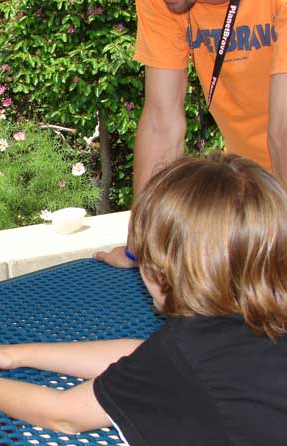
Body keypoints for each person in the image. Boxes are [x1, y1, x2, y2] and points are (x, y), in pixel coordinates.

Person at [0, 154, 287, 446]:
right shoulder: (253, 323)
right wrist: (17, 354)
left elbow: (64, 414)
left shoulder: (189, 354)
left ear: (160, 271)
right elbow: (140, 355)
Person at [95, 0, 287, 268]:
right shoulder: (165, 2)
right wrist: (143, 243)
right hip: (257, 189)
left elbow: (283, 131)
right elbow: (162, 124)